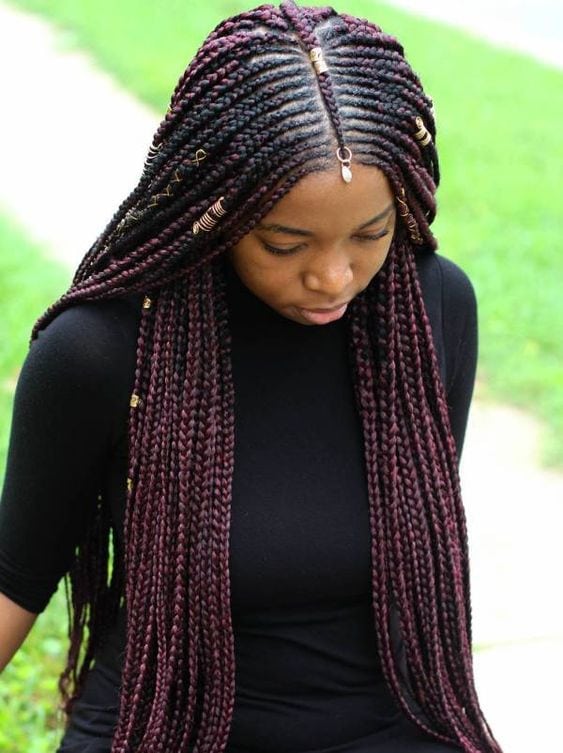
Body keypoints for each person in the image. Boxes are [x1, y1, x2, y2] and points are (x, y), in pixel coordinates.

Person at [0, 1, 504, 751]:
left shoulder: (429, 310)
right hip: (165, 728)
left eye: (371, 234)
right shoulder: (100, 351)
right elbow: (17, 579)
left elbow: (405, 557)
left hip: (388, 726)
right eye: (285, 242)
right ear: (215, 211)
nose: (333, 276)